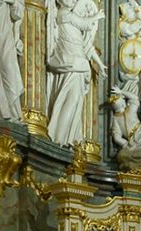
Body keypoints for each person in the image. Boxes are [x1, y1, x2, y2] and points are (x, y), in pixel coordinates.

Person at [46, 0, 106, 147]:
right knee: (71, 101)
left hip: (77, 61)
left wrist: (100, 64)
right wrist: (96, 16)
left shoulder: (70, 17)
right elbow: (84, 24)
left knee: (75, 102)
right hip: (71, 64)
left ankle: (66, 137)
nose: (73, 0)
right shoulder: (63, 13)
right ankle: (59, 137)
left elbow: (87, 46)